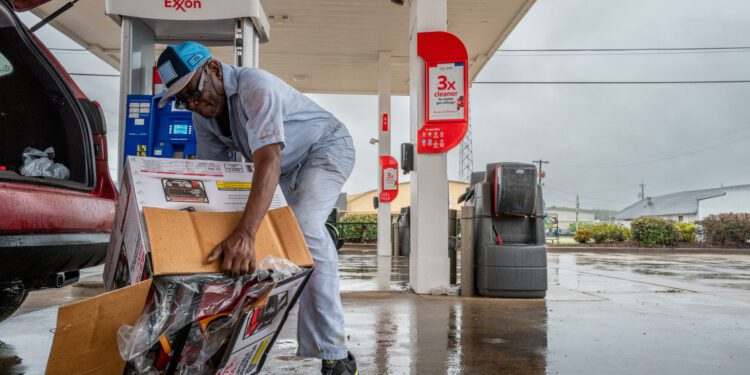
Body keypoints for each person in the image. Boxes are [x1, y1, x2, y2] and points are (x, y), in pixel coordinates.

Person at [155, 41, 357, 375]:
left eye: (193, 91)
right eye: (182, 100)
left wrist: (246, 234)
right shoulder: (202, 118)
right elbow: (213, 180)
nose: (192, 104)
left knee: (304, 230)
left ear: (215, 70)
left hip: (325, 149)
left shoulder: (255, 86)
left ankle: (334, 354)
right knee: (259, 237)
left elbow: (268, 159)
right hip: (285, 169)